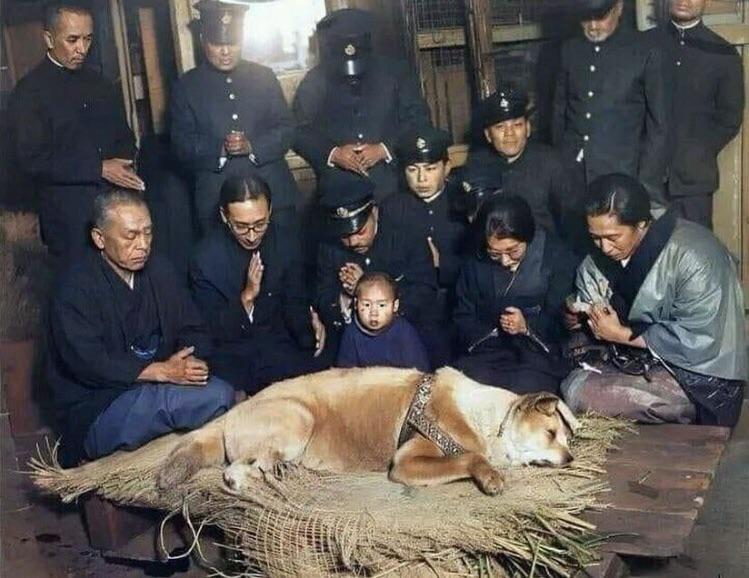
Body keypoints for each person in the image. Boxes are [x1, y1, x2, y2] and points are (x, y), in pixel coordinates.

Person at [48, 189, 234, 468]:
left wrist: (192, 360)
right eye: (131, 236)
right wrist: (161, 371)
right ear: (99, 238)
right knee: (211, 399)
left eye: (148, 233)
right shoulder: (74, 287)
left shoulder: (160, 270)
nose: (143, 244)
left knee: (221, 391)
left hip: (158, 387)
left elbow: (193, 327)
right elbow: (87, 362)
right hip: (100, 403)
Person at [561, 174, 746, 427]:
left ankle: (682, 413)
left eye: (613, 238)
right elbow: (589, 289)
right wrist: (578, 315)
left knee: (576, 391)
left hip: (702, 377)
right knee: (571, 361)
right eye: (596, 238)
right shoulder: (603, 255)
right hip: (643, 358)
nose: (604, 248)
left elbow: (699, 340)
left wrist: (619, 334)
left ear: (641, 224)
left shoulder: (695, 255)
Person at [8, 3, 144, 267]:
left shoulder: (102, 84)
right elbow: (31, 161)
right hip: (67, 219)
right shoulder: (28, 93)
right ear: (48, 38)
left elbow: (125, 137)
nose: (82, 49)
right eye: (72, 40)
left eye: (88, 39)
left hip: (114, 208)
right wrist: (98, 168)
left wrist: (126, 164)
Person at [190, 175, 328, 394]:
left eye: (260, 224)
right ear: (225, 217)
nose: (252, 236)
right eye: (241, 227)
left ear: (270, 210)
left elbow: (296, 298)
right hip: (234, 352)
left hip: (278, 344)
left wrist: (310, 324)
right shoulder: (205, 258)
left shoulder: (287, 241)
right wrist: (246, 298)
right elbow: (209, 329)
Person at [170, 0, 299, 234]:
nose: (226, 51)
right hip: (216, 199)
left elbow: (287, 128)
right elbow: (180, 144)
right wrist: (220, 149)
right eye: (217, 44)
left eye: (232, 43)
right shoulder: (186, 86)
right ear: (202, 41)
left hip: (274, 194)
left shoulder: (264, 77)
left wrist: (253, 146)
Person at [293, 8, 431, 201]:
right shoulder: (315, 80)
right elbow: (299, 131)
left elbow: (419, 119)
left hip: (393, 186)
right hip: (339, 190)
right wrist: (334, 154)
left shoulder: (396, 73)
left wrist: (384, 149)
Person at [452, 195, 579, 394]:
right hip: (487, 349)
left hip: (538, 352)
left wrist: (526, 327)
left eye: (513, 251)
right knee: (466, 385)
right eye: (494, 253)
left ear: (527, 236)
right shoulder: (475, 261)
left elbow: (561, 322)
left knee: (524, 389)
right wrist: (493, 331)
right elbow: (463, 314)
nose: (504, 261)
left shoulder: (555, 257)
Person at [315, 174, 445, 364]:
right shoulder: (328, 247)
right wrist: (346, 298)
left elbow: (425, 290)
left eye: (360, 231)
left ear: (374, 213)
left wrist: (367, 288)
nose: (353, 242)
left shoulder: (405, 235)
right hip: (353, 342)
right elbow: (322, 297)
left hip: (407, 336)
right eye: (345, 235)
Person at [552, 0, 670, 208]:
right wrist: (562, 163)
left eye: (600, 17)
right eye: (586, 18)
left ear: (619, 8)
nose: (593, 26)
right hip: (574, 176)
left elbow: (659, 127)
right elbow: (559, 113)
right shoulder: (569, 50)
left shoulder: (644, 50)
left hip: (623, 176)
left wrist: (646, 183)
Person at [648, 0, 744, 229]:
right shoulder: (644, 44)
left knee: (695, 253)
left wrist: (695, 150)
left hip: (694, 182)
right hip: (645, 179)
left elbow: (730, 119)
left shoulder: (723, 54)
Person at [465, 86, 572, 237]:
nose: (510, 134)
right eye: (500, 127)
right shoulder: (477, 166)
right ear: (488, 135)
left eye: (517, 125)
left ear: (528, 128)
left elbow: (569, 221)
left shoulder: (550, 163)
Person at [382, 125, 469, 290]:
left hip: (456, 296)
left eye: (430, 169)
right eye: (413, 170)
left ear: (447, 167)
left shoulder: (464, 202)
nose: (421, 179)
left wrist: (441, 263)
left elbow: (480, 264)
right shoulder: (392, 208)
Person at [337, 272, 431, 371]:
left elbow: (422, 374)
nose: (374, 313)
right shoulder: (351, 333)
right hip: (363, 385)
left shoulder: (405, 332)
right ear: (356, 304)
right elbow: (343, 376)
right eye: (367, 305)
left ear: (395, 306)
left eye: (381, 305)